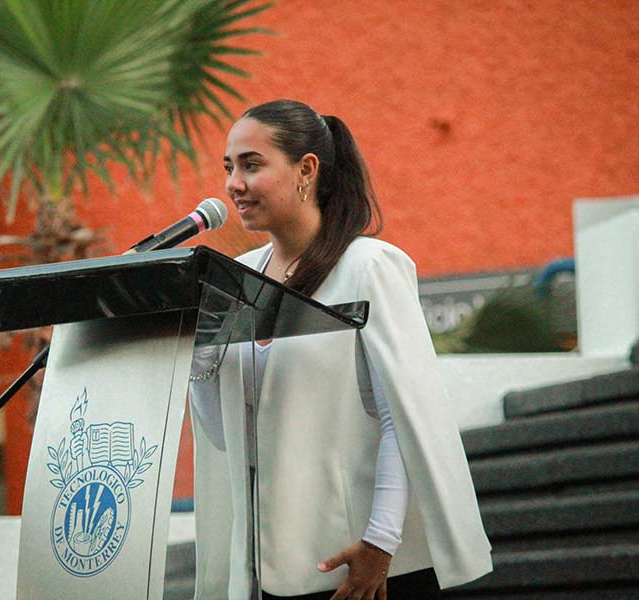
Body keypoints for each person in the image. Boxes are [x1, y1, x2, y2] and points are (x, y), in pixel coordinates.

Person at [189, 99, 492, 600]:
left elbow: (403, 417)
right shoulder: (239, 277)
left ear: (306, 169)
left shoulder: (369, 266)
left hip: (363, 571)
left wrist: (380, 542)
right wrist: (200, 357)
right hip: (275, 571)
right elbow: (228, 435)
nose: (233, 184)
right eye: (228, 167)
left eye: (251, 164)